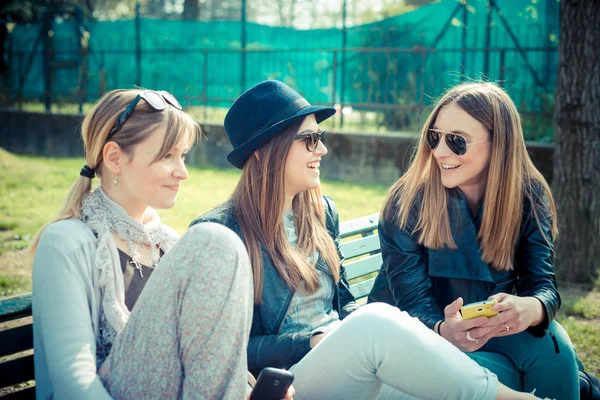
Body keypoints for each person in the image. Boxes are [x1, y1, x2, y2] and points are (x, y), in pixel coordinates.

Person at [191, 80, 544, 400]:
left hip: (350, 365)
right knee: (376, 322)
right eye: (310, 139)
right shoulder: (219, 234)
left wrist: (348, 337)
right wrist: (310, 341)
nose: (322, 150)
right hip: (288, 384)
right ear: (264, 150)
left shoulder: (319, 212)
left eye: (321, 138)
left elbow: (343, 308)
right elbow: (221, 351)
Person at [30, 89, 263, 399]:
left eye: (182, 156)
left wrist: (246, 389)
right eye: (168, 156)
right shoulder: (66, 242)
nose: (183, 172)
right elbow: (73, 379)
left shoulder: (166, 243)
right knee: (215, 241)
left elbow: (202, 357)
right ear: (114, 158)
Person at [368, 81, 580, 399]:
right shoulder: (408, 201)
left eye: (457, 141)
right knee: (515, 373)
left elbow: (543, 285)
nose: (439, 152)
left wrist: (532, 307)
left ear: (499, 144)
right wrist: (444, 329)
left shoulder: (528, 195)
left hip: (484, 331)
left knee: (554, 344)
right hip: (416, 337)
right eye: (434, 137)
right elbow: (411, 305)